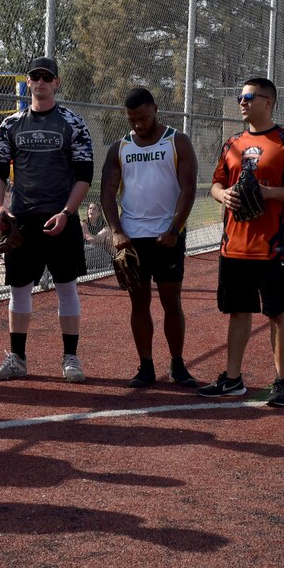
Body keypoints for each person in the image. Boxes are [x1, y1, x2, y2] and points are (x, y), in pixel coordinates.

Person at [197, 76, 284, 406]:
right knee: (238, 312)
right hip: (234, 244)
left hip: (274, 246)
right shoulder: (232, 143)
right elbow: (216, 183)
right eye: (241, 96)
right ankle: (233, 378)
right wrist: (222, 194)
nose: (243, 101)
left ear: (269, 102)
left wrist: (270, 193)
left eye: (249, 96)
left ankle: (280, 382)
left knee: (278, 314)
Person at [0, 55, 95, 383]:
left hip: (61, 219)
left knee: (66, 288)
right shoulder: (11, 124)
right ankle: (17, 358)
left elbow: (84, 174)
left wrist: (67, 212)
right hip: (23, 221)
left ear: (57, 83)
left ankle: (70, 358)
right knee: (19, 289)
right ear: (28, 82)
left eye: (48, 77)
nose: (42, 82)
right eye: (36, 77)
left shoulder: (72, 123)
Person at [100, 86, 199, 388]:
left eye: (143, 118)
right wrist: (117, 231)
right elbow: (106, 193)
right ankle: (145, 366)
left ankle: (178, 365)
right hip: (132, 239)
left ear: (156, 109)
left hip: (167, 237)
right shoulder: (120, 147)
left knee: (172, 301)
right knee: (138, 304)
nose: (138, 125)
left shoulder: (177, 142)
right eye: (132, 120)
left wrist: (174, 229)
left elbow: (188, 189)